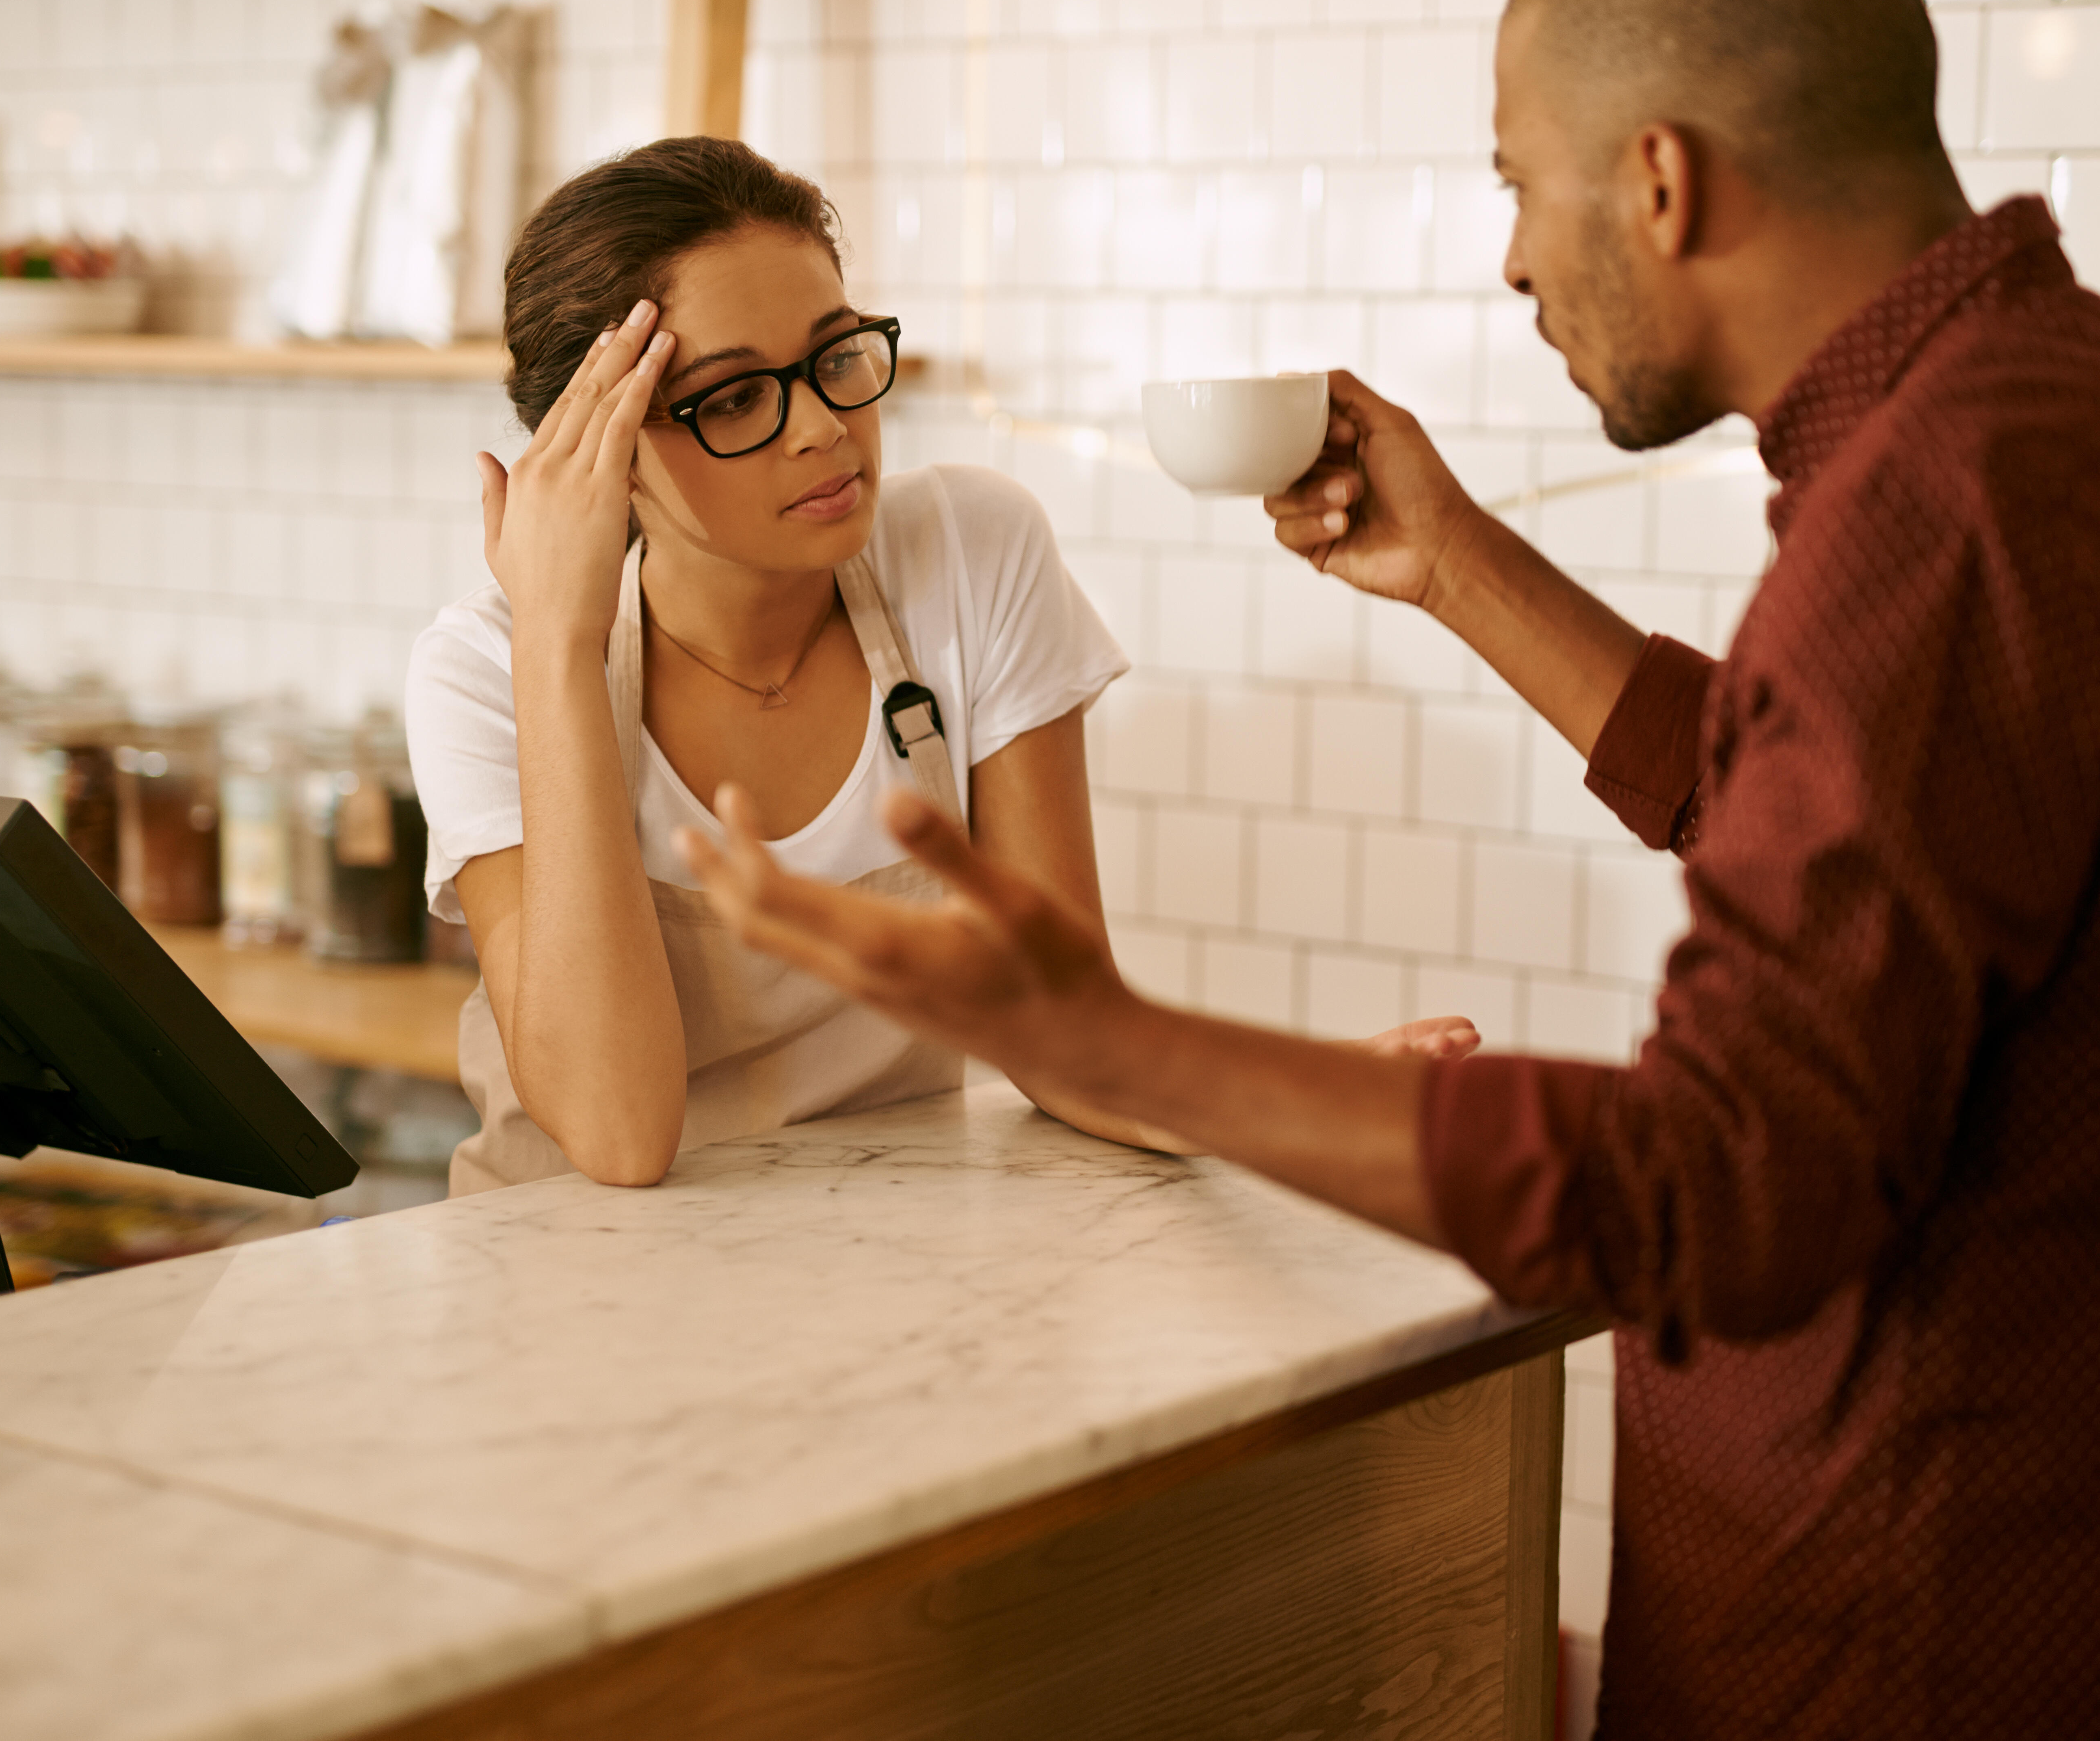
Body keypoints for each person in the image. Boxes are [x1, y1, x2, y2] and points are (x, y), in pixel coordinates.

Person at [677, 0, 2100, 1741]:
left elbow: (1717, 1188)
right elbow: (1852, 818)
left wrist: (1117, 1043)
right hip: (2055, 1596)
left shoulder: (1946, 520)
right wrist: (1456, 563)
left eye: (1519, 183)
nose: (1517, 257)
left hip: (1926, 1629)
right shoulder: (2043, 412)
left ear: (1664, 180)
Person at [410, 139, 1476, 1195]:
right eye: (733, 397)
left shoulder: (969, 550)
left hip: (882, 1252)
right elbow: (617, 1134)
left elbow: (1065, 1030)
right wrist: (559, 643)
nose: (827, 428)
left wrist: (1301, 1103)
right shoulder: (487, 666)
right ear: (596, 451)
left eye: (835, 357)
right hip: (562, 1291)